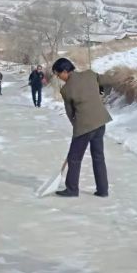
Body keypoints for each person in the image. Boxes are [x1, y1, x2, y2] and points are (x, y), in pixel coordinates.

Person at [51, 57, 111, 198]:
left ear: (65, 71)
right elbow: (106, 82)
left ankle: (72, 189)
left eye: (58, 74)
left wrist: (77, 127)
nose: (58, 77)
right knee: (98, 156)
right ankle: (103, 190)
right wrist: (100, 90)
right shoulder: (90, 74)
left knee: (74, 158)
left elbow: (70, 113)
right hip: (100, 122)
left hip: (84, 126)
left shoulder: (66, 90)